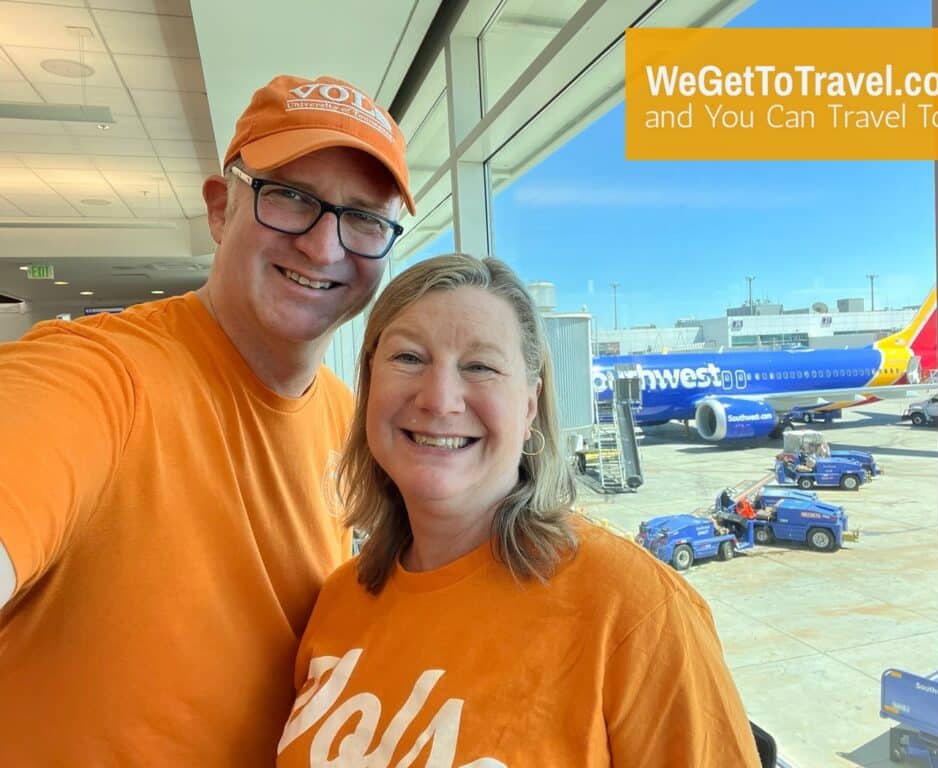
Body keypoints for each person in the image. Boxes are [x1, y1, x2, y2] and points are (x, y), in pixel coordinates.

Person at [0, 74, 414, 766]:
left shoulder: (354, 423)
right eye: (290, 197)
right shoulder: (100, 376)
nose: (323, 247)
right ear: (222, 209)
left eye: (364, 217)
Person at [276, 254, 760, 767]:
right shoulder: (338, 601)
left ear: (530, 405)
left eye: (480, 366)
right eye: (409, 358)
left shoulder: (634, 612)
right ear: (369, 385)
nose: (440, 400)